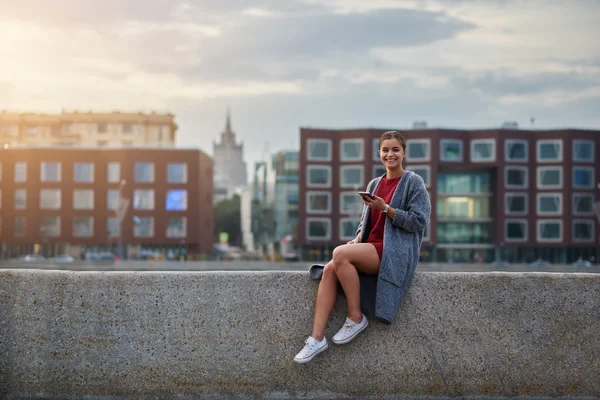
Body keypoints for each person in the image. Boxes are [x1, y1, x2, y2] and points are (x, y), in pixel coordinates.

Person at [294, 131, 431, 363]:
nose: (390, 154)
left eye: (396, 149)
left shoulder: (413, 182)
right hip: (371, 247)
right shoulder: (375, 183)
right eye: (385, 150)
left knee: (339, 254)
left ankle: (356, 317)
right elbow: (366, 222)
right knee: (329, 268)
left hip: (394, 252)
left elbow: (419, 221)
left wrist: (387, 208)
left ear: (404, 153)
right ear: (379, 153)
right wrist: (357, 239)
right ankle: (316, 339)